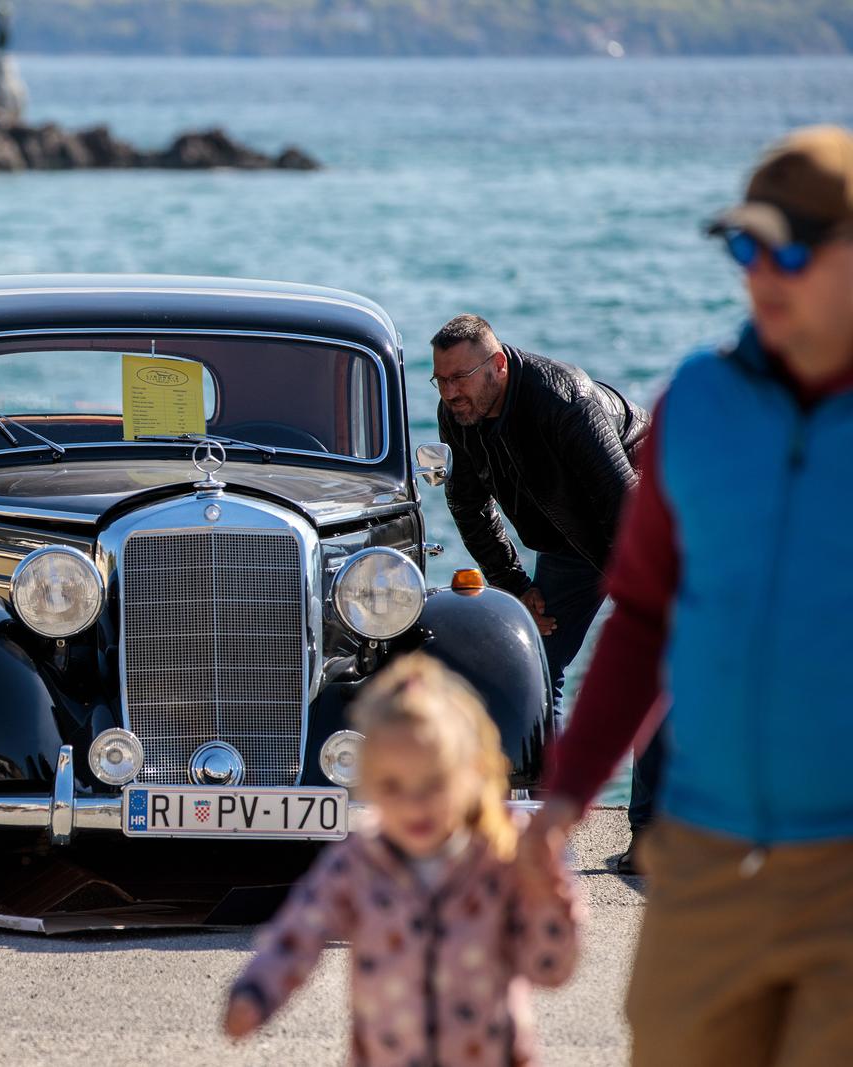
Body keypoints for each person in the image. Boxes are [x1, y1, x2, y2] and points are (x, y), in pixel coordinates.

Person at [521, 125, 853, 1067]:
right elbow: (643, 617)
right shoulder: (695, 404)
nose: (761, 277)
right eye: (745, 249)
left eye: (789, 250)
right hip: (704, 860)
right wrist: (563, 802)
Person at [223, 654, 582, 1065]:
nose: (414, 805)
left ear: (471, 775)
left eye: (434, 783)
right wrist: (257, 991)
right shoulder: (359, 862)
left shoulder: (501, 857)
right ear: (369, 784)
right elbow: (300, 931)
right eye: (393, 785)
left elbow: (551, 970)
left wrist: (549, 893)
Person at [431, 313, 660, 872]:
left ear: (499, 366)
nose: (450, 392)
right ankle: (543, 826)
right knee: (537, 662)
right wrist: (515, 584)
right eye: (440, 380)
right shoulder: (457, 416)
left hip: (641, 519)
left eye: (460, 378)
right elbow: (467, 505)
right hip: (566, 542)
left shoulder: (564, 399)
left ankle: (653, 839)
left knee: (652, 673)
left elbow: (624, 504)